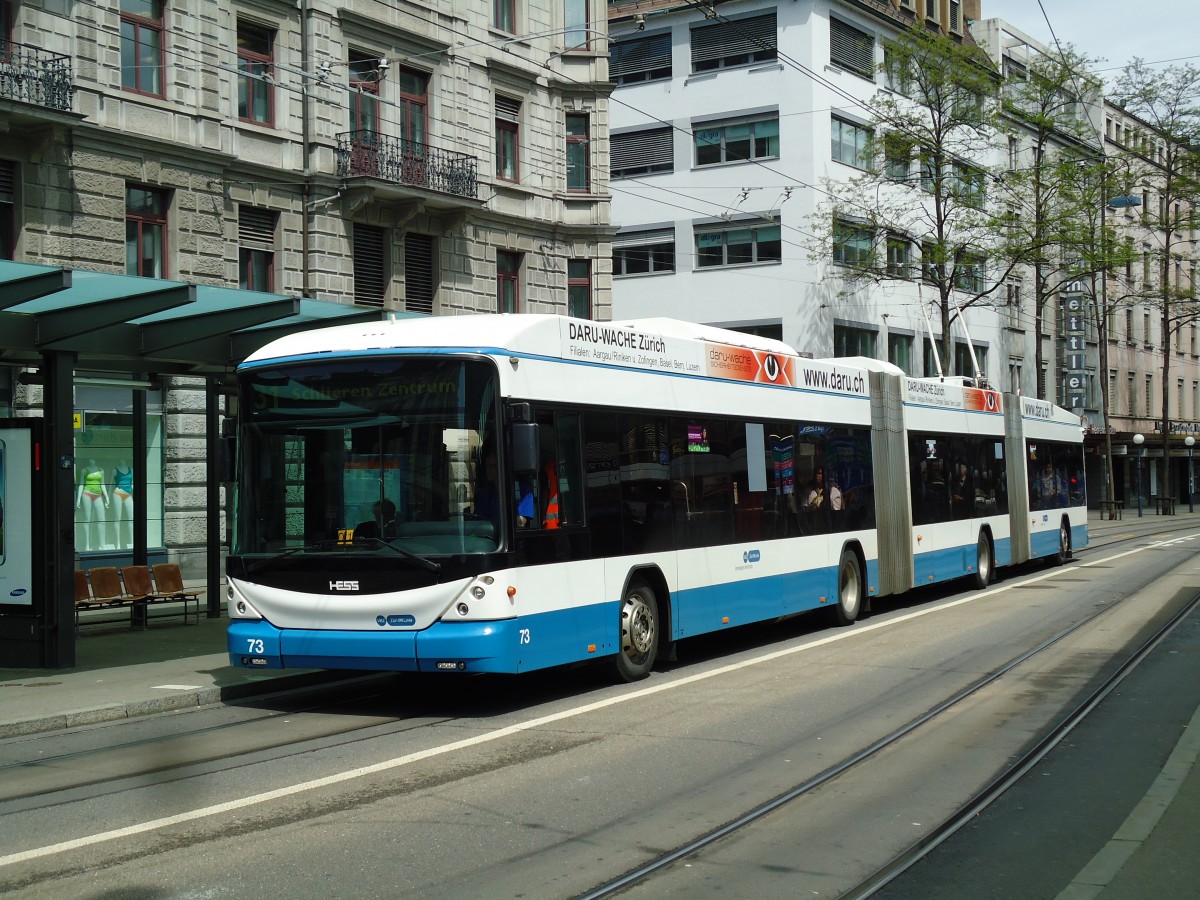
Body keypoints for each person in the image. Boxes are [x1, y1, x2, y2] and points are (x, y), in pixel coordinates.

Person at [76, 459, 109, 551]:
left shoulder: (101, 470)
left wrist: (106, 496)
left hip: (98, 495)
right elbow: (81, 484)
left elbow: (102, 484)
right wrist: (78, 498)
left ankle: (102, 545)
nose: (92, 460)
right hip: (87, 493)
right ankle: (87, 545)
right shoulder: (84, 470)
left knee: (102, 519)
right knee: (87, 519)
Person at [111, 459, 134, 549]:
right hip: (118, 493)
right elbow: (110, 484)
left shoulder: (131, 470)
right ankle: (117, 544)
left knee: (131, 519)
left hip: (128, 494)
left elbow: (132, 483)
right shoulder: (115, 470)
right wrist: (107, 497)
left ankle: (132, 542)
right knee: (117, 518)